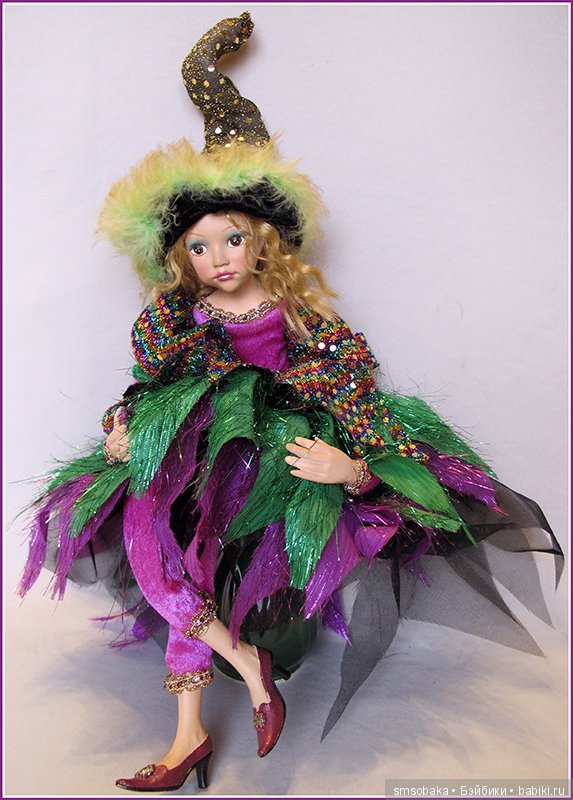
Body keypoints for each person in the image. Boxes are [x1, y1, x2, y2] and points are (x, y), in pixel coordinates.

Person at [18, 12, 563, 794]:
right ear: (180, 256)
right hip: (192, 447)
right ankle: (236, 676)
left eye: (232, 239)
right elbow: (149, 384)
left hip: (270, 452)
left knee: (198, 561)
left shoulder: (295, 312)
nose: (217, 259)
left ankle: (192, 730)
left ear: (262, 239)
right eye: (198, 246)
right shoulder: (178, 315)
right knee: (149, 537)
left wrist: (353, 470)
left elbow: (349, 386)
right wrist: (122, 426)